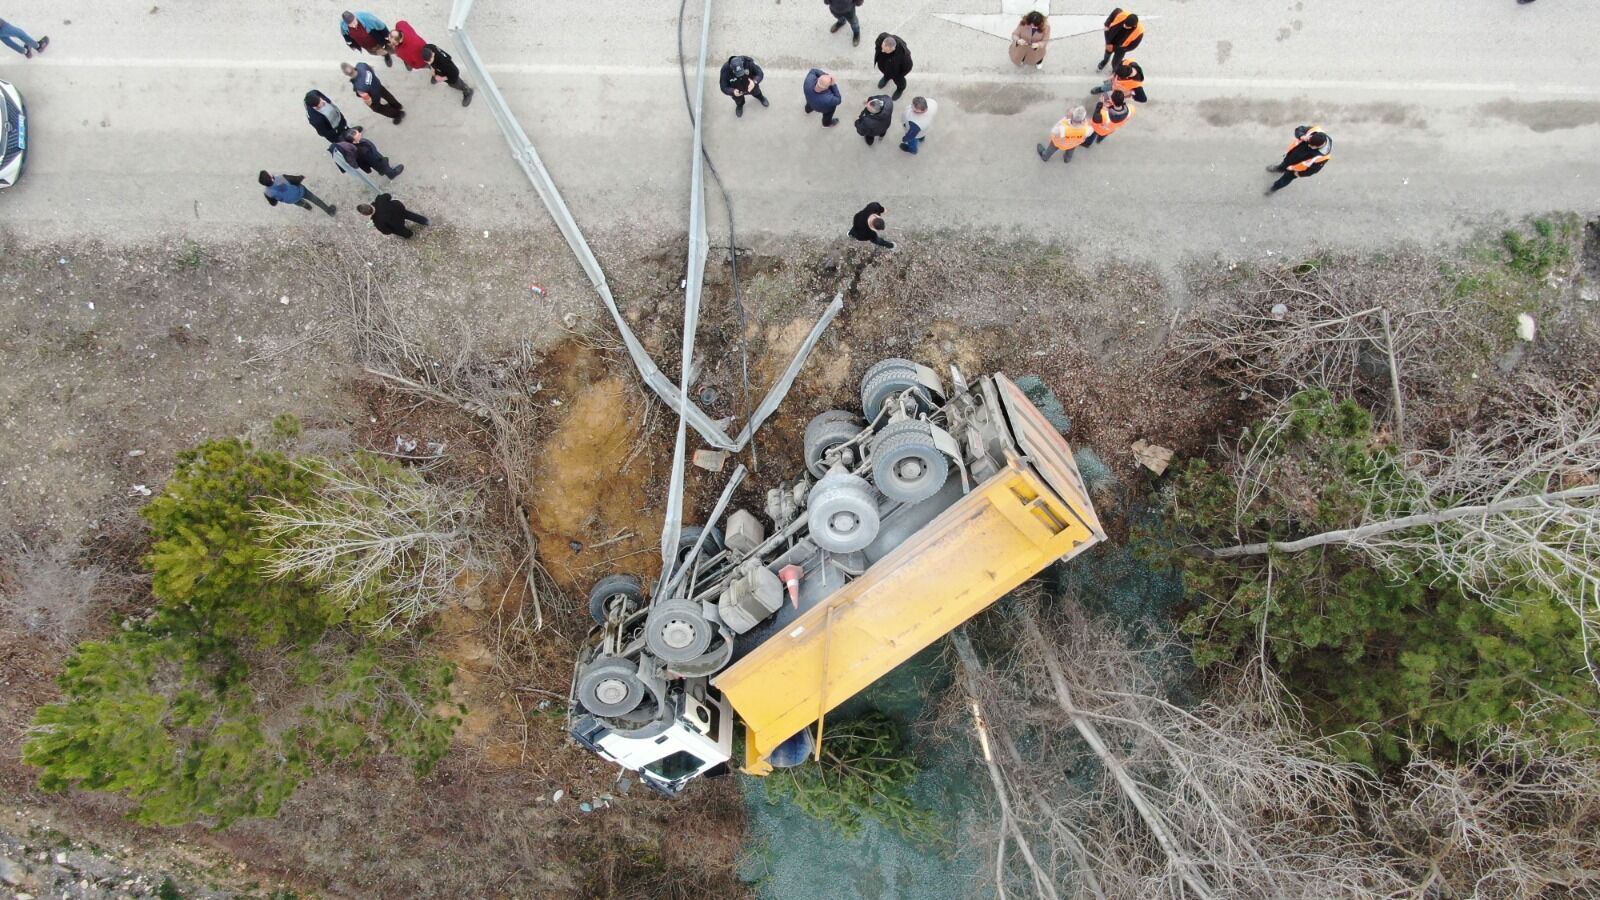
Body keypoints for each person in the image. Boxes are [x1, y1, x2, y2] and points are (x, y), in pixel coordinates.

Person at [1265, 125, 1332, 194]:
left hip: (1296, 168)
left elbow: (1313, 170)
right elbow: (1299, 129)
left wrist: (1300, 174)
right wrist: (1302, 136)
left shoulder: (1323, 156)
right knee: (1283, 164)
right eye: (1309, 143)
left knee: (1285, 179)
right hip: (1291, 156)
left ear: (1320, 146)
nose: (1309, 145)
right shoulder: (1315, 131)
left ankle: (1274, 188)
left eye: (1312, 146)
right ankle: (1279, 169)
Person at [337, 126, 404, 179]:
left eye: (358, 132)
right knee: (383, 166)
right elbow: (374, 160)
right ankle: (391, 174)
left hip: (371, 160)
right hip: (375, 160)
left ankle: (381, 171)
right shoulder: (364, 151)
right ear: (354, 141)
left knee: (379, 166)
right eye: (358, 135)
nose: (360, 134)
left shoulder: (350, 143)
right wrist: (381, 161)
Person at [259, 171, 337, 216]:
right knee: (313, 198)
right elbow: (296, 180)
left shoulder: (267, 193)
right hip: (300, 192)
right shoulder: (281, 178)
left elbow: (273, 203)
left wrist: (278, 196)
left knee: (298, 201)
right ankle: (329, 211)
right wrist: (301, 176)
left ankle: (309, 208)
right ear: (269, 176)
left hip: (291, 200)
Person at [358, 193, 431, 238]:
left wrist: (392, 229)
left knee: (399, 230)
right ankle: (425, 221)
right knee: (411, 215)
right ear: (369, 205)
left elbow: (387, 231)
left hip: (397, 224)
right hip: (399, 209)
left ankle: (410, 234)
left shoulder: (377, 222)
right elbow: (388, 195)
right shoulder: (379, 200)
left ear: (365, 215)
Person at [873, 34, 913, 101]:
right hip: (885, 66)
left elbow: (908, 67)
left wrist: (899, 76)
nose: (882, 51)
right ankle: (886, 77)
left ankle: (900, 89)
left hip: (896, 73)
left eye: (885, 50)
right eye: (882, 47)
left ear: (893, 49)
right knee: (886, 73)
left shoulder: (903, 55)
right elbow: (877, 46)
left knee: (900, 81)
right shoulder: (881, 38)